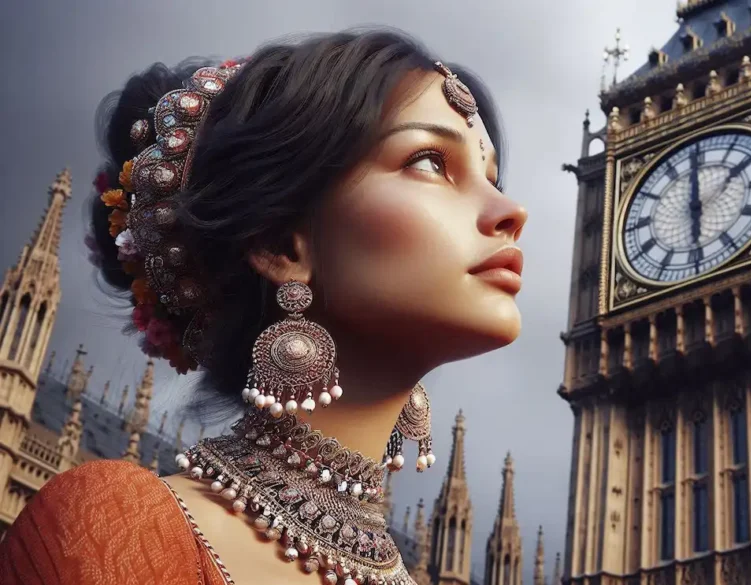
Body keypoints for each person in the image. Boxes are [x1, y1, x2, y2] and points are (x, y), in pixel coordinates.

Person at [0, 28, 526, 585]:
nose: (510, 210)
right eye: (428, 161)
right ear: (280, 245)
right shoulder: (116, 532)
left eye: (490, 177)